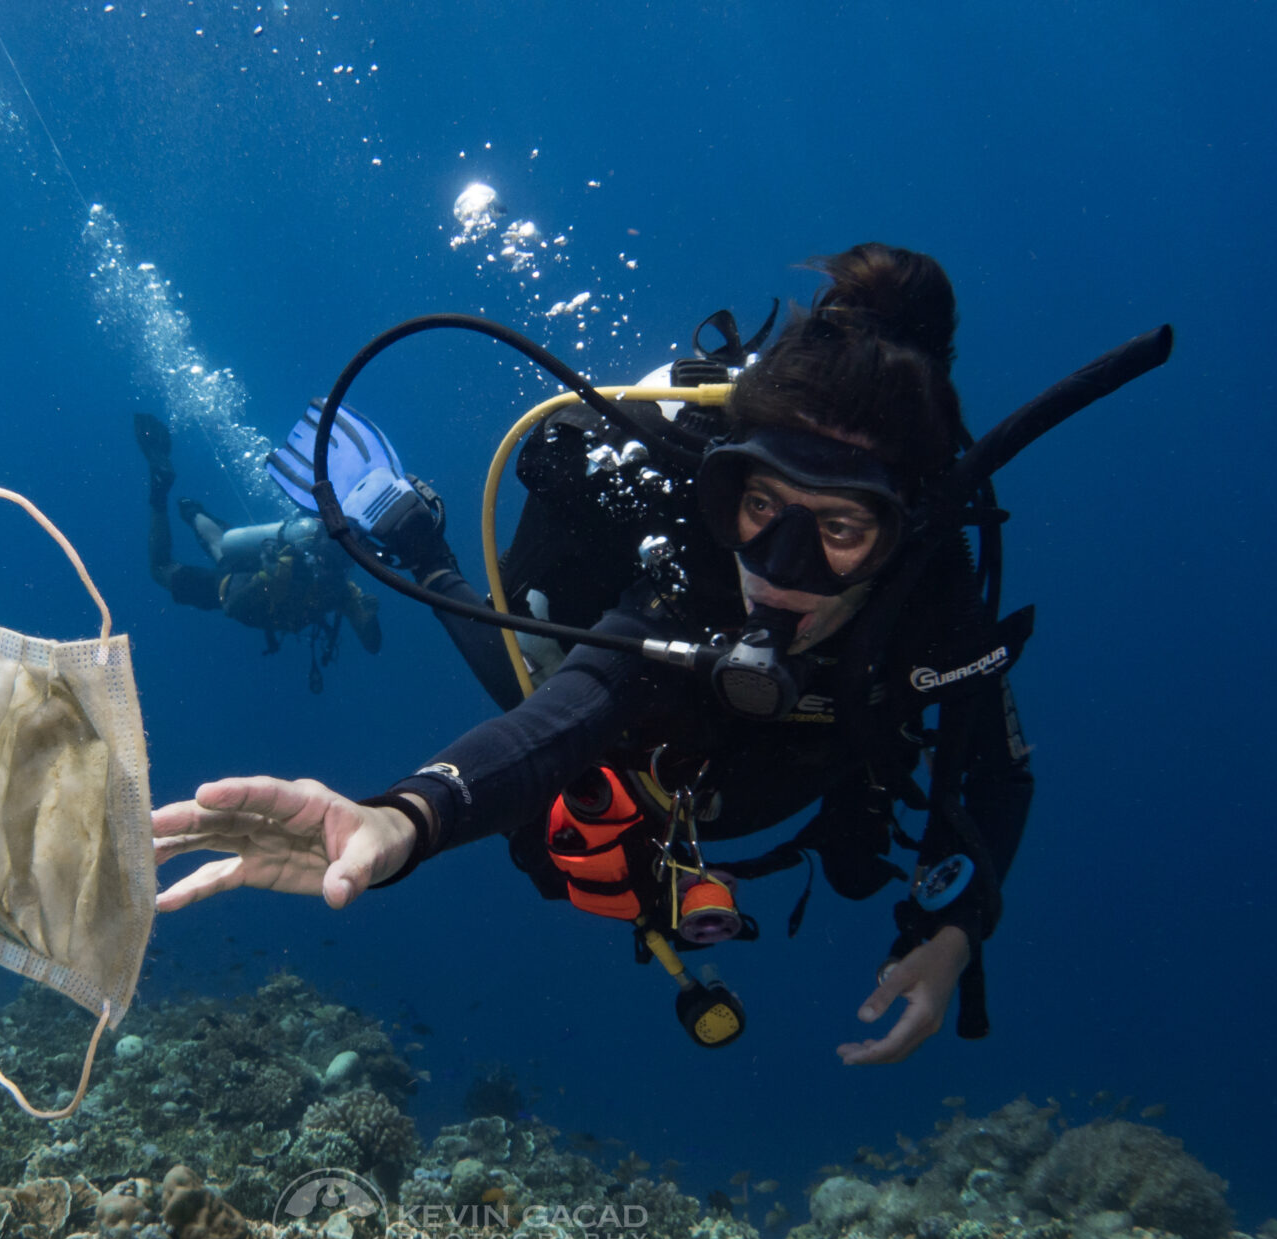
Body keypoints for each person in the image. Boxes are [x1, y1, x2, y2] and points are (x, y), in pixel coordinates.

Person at [150, 245, 1038, 1064]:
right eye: (761, 505)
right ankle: (421, 542)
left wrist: (953, 930)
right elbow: (560, 713)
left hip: (793, 764)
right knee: (530, 684)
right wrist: (402, 820)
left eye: (841, 527)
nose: (781, 569)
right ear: (724, 489)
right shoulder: (687, 566)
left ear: (899, 534)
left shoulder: (933, 604)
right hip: (640, 723)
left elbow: (996, 774)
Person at [137, 412, 382, 693]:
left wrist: (370, 617)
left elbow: (372, 643)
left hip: (245, 576)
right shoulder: (334, 587)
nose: (330, 572)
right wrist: (267, 580)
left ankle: (192, 512)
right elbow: (232, 606)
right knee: (164, 568)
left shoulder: (340, 589)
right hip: (230, 587)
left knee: (222, 549)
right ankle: (163, 496)